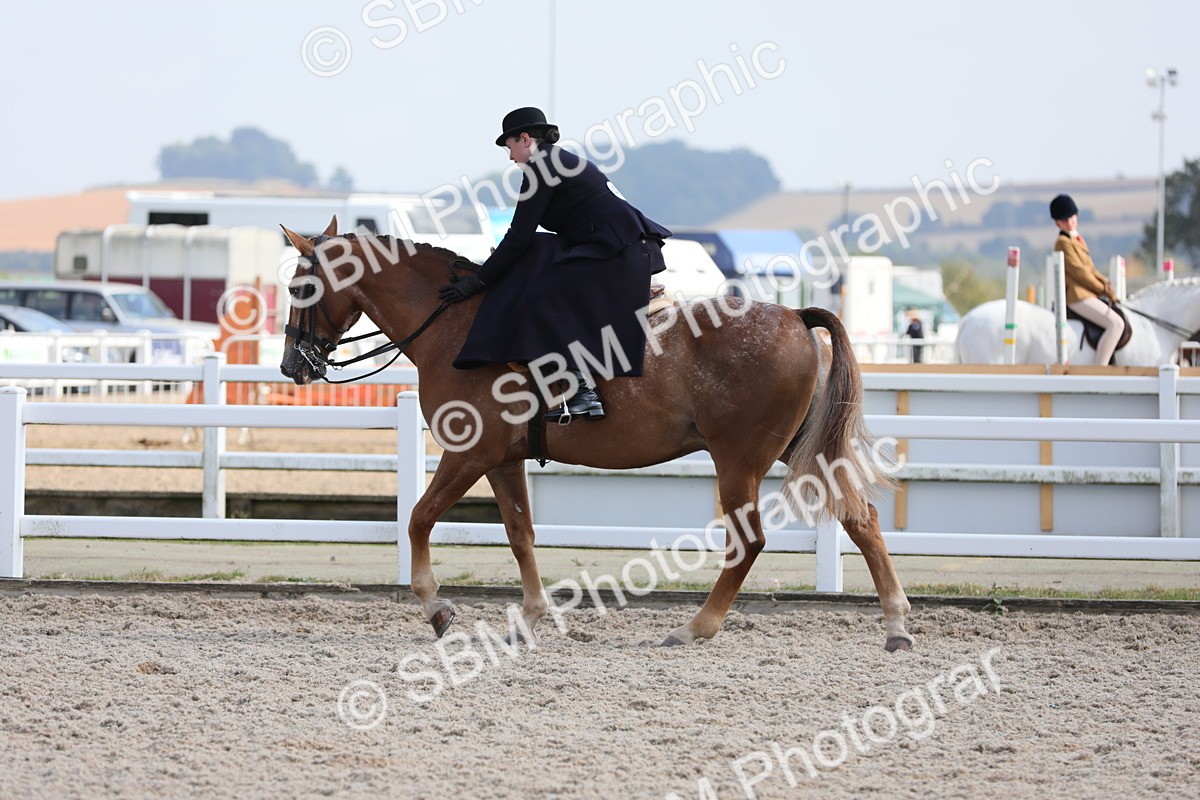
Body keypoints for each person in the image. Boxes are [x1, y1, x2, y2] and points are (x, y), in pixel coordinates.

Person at [439, 107, 671, 421]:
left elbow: (518, 237)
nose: (510, 158)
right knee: (537, 253)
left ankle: (581, 391)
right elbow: (527, 241)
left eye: (509, 148)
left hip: (619, 253)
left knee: (537, 296)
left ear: (524, 139)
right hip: (620, 248)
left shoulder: (540, 166)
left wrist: (478, 281)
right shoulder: (556, 159)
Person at [1049, 193, 1125, 365]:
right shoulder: (1062, 242)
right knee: (1116, 324)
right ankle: (1100, 370)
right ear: (1057, 223)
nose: (1070, 222)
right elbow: (1080, 272)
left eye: (1072, 217)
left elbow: (1091, 269)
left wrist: (1106, 284)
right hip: (1077, 296)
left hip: (1088, 294)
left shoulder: (1077, 239)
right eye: (1065, 220)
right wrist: (1103, 289)